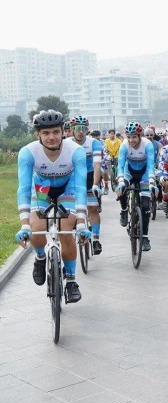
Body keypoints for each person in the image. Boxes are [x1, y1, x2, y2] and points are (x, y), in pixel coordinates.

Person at [16, 110, 91, 302]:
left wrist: (81, 223)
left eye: (56, 132)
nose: (51, 137)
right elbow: (24, 189)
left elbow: (81, 187)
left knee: (66, 231)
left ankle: (72, 281)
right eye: (46, 133)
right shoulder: (27, 152)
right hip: (42, 190)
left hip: (68, 189)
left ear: (63, 132)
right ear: (38, 134)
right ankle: (40, 257)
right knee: (36, 229)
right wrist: (24, 224)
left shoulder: (75, 151)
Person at [115, 122, 155, 252]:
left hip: (143, 174)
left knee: (145, 206)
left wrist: (151, 182)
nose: (131, 140)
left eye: (134, 137)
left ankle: (144, 237)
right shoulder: (124, 146)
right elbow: (120, 166)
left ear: (140, 136)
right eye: (129, 137)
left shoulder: (147, 145)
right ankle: (124, 209)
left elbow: (150, 166)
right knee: (122, 189)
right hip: (129, 172)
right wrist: (120, 181)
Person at [70, 116, 104, 255]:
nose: (81, 131)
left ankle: (96, 240)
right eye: (78, 128)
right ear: (72, 129)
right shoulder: (66, 143)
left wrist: (96, 184)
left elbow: (97, 165)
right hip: (73, 177)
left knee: (93, 208)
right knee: (70, 211)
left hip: (90, 177)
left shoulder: (93, 143)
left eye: (84, 128)